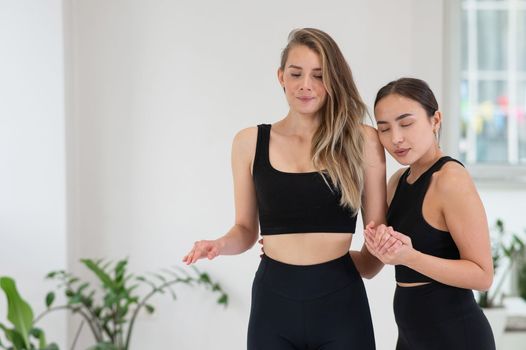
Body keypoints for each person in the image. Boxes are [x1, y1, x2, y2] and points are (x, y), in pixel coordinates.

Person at [182, 28, 386, 349]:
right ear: (281, 77)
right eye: (296, 73)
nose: (306, 84)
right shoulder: (249, 143)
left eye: (319, 75)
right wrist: (219, 244)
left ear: (333, 80)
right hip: (273, 306)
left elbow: (377, 246)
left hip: (341, 306)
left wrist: (331, 267)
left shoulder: (362, 141)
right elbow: (247, 231)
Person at [364, 77, 496, 349]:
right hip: (411, 338)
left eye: (406, 123)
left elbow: (482, 276)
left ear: (435, 120)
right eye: (384, 129)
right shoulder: (398, 181)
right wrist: (293, 251)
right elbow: (370, 266)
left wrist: (410, 257)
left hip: (457, 337)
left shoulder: (450, 179)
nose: (396, 138)